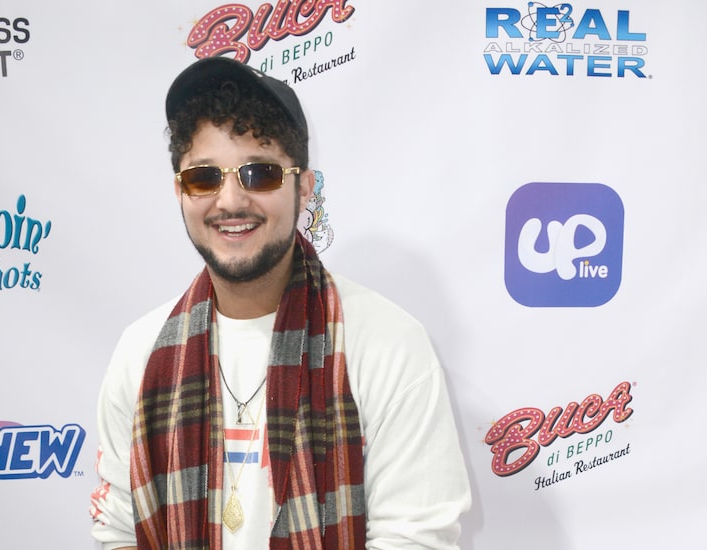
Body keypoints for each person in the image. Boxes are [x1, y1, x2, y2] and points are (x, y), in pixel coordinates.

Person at [90, 56, 471, 549]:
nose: (229, 201)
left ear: (304, 186)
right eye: (204, 177)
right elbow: (120, 531)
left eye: (260, 173)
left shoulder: (385, 343)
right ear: (180, 191)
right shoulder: (141, 353)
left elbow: (415, 538)